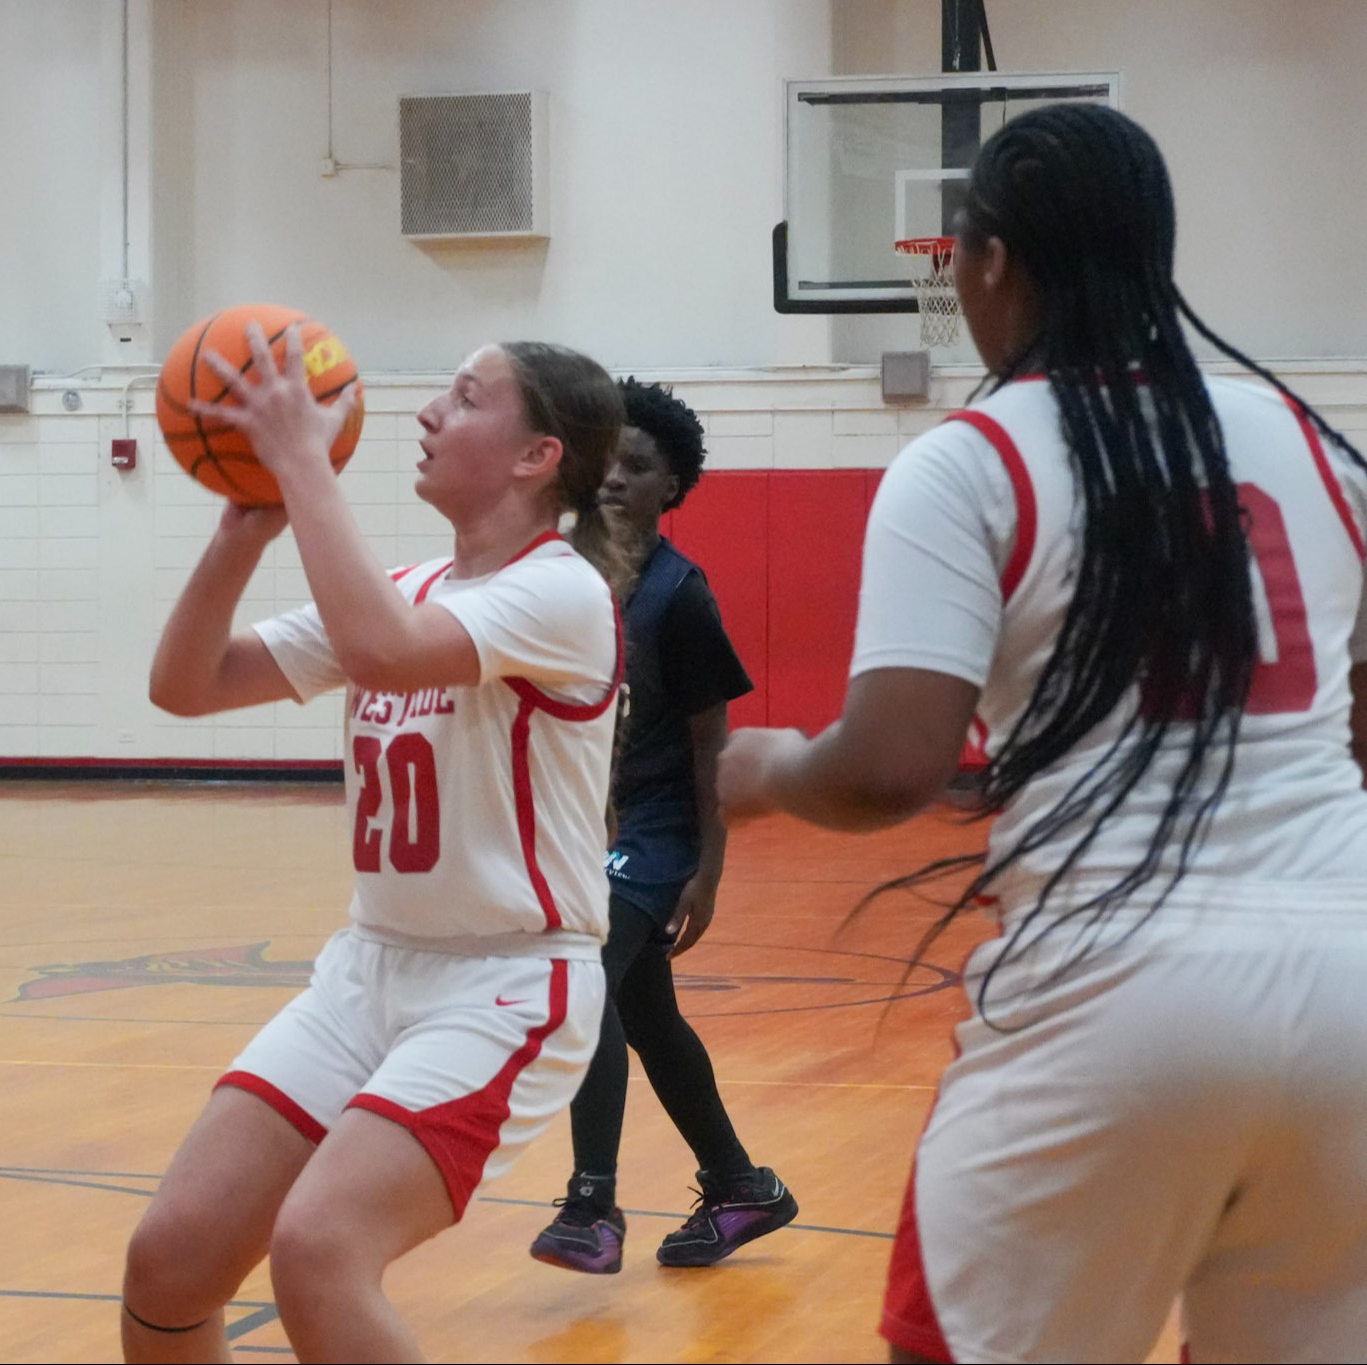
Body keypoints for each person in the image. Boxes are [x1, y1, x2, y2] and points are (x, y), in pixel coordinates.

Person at [718, 104, 1367, 1363]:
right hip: (1350, 982)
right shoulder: (1311, 443)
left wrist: (768, 769)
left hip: (1118, 993)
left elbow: (891, 766)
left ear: (990, 261)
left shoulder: (967, 462)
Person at [122, 331, 624, 1363]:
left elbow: (385, 656)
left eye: (465, 397)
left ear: (537, 456)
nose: (427, 414)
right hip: (367, 969)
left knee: (318, 1247)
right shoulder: (406, 584)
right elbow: (185, 685)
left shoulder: (561, 592)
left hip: (506, 985)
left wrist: (303, 462)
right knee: (170, 1258)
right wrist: (242, 531)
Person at [528, 378, 794, 1275]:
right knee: (649, 1017)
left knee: (588, 983)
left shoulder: (680, 593)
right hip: (580, 821)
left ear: (670, 488)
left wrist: (708, 870)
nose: (616, 476)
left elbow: (710, 734)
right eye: (608, 457)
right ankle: (739, 1183)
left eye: (639, 465)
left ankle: (592, 1204)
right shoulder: (555, 571)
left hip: (654, 826)